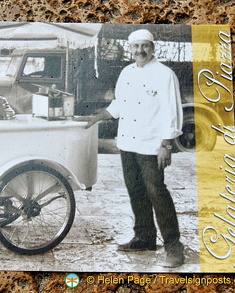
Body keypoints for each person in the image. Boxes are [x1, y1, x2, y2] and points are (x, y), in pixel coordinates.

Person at [86, 29, 185, 268]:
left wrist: (167, 144)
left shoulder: (164, 74)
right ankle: (144, 238)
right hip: (128, 142)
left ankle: (174, 247)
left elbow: (172, 110)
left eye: (145, 46)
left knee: (157, 193)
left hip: (152, 144)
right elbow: (119, 105)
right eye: (135, 47)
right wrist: (96, 117)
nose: (140, 51)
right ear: (130, 49)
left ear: (153, 48)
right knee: (135, 191)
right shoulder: (126, 72)